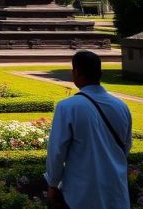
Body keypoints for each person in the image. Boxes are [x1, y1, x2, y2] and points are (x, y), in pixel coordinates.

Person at [46, 50, 132, 209]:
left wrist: (52, 183)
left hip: (82, 193)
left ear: (76, 72)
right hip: (115, 189)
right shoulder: (122, 106)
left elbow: (57, 151)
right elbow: (125, 147)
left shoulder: (67, 107)